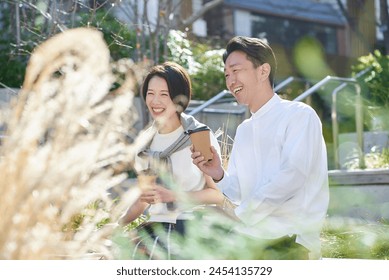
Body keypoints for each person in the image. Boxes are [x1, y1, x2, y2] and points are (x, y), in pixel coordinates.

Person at [191, 36, 329, 260]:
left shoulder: (299, 115)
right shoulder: (245, 129)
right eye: (227, 74)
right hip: (252, 239)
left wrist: (239, 215)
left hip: (291, 242)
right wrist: (218, 173)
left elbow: (292, 177)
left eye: (236, 70)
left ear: (263, 71)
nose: (231, 81)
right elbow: (239, 192)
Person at [120, 61, 224, 259]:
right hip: (156, 229)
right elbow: (143, 202)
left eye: (163, 94)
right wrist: (114, 225)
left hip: (192, 226)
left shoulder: (199, 136)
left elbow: (217, 195)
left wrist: (175, 195)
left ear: (178, 98)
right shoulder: (145, 145)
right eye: (150, 93)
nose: (155, 101)